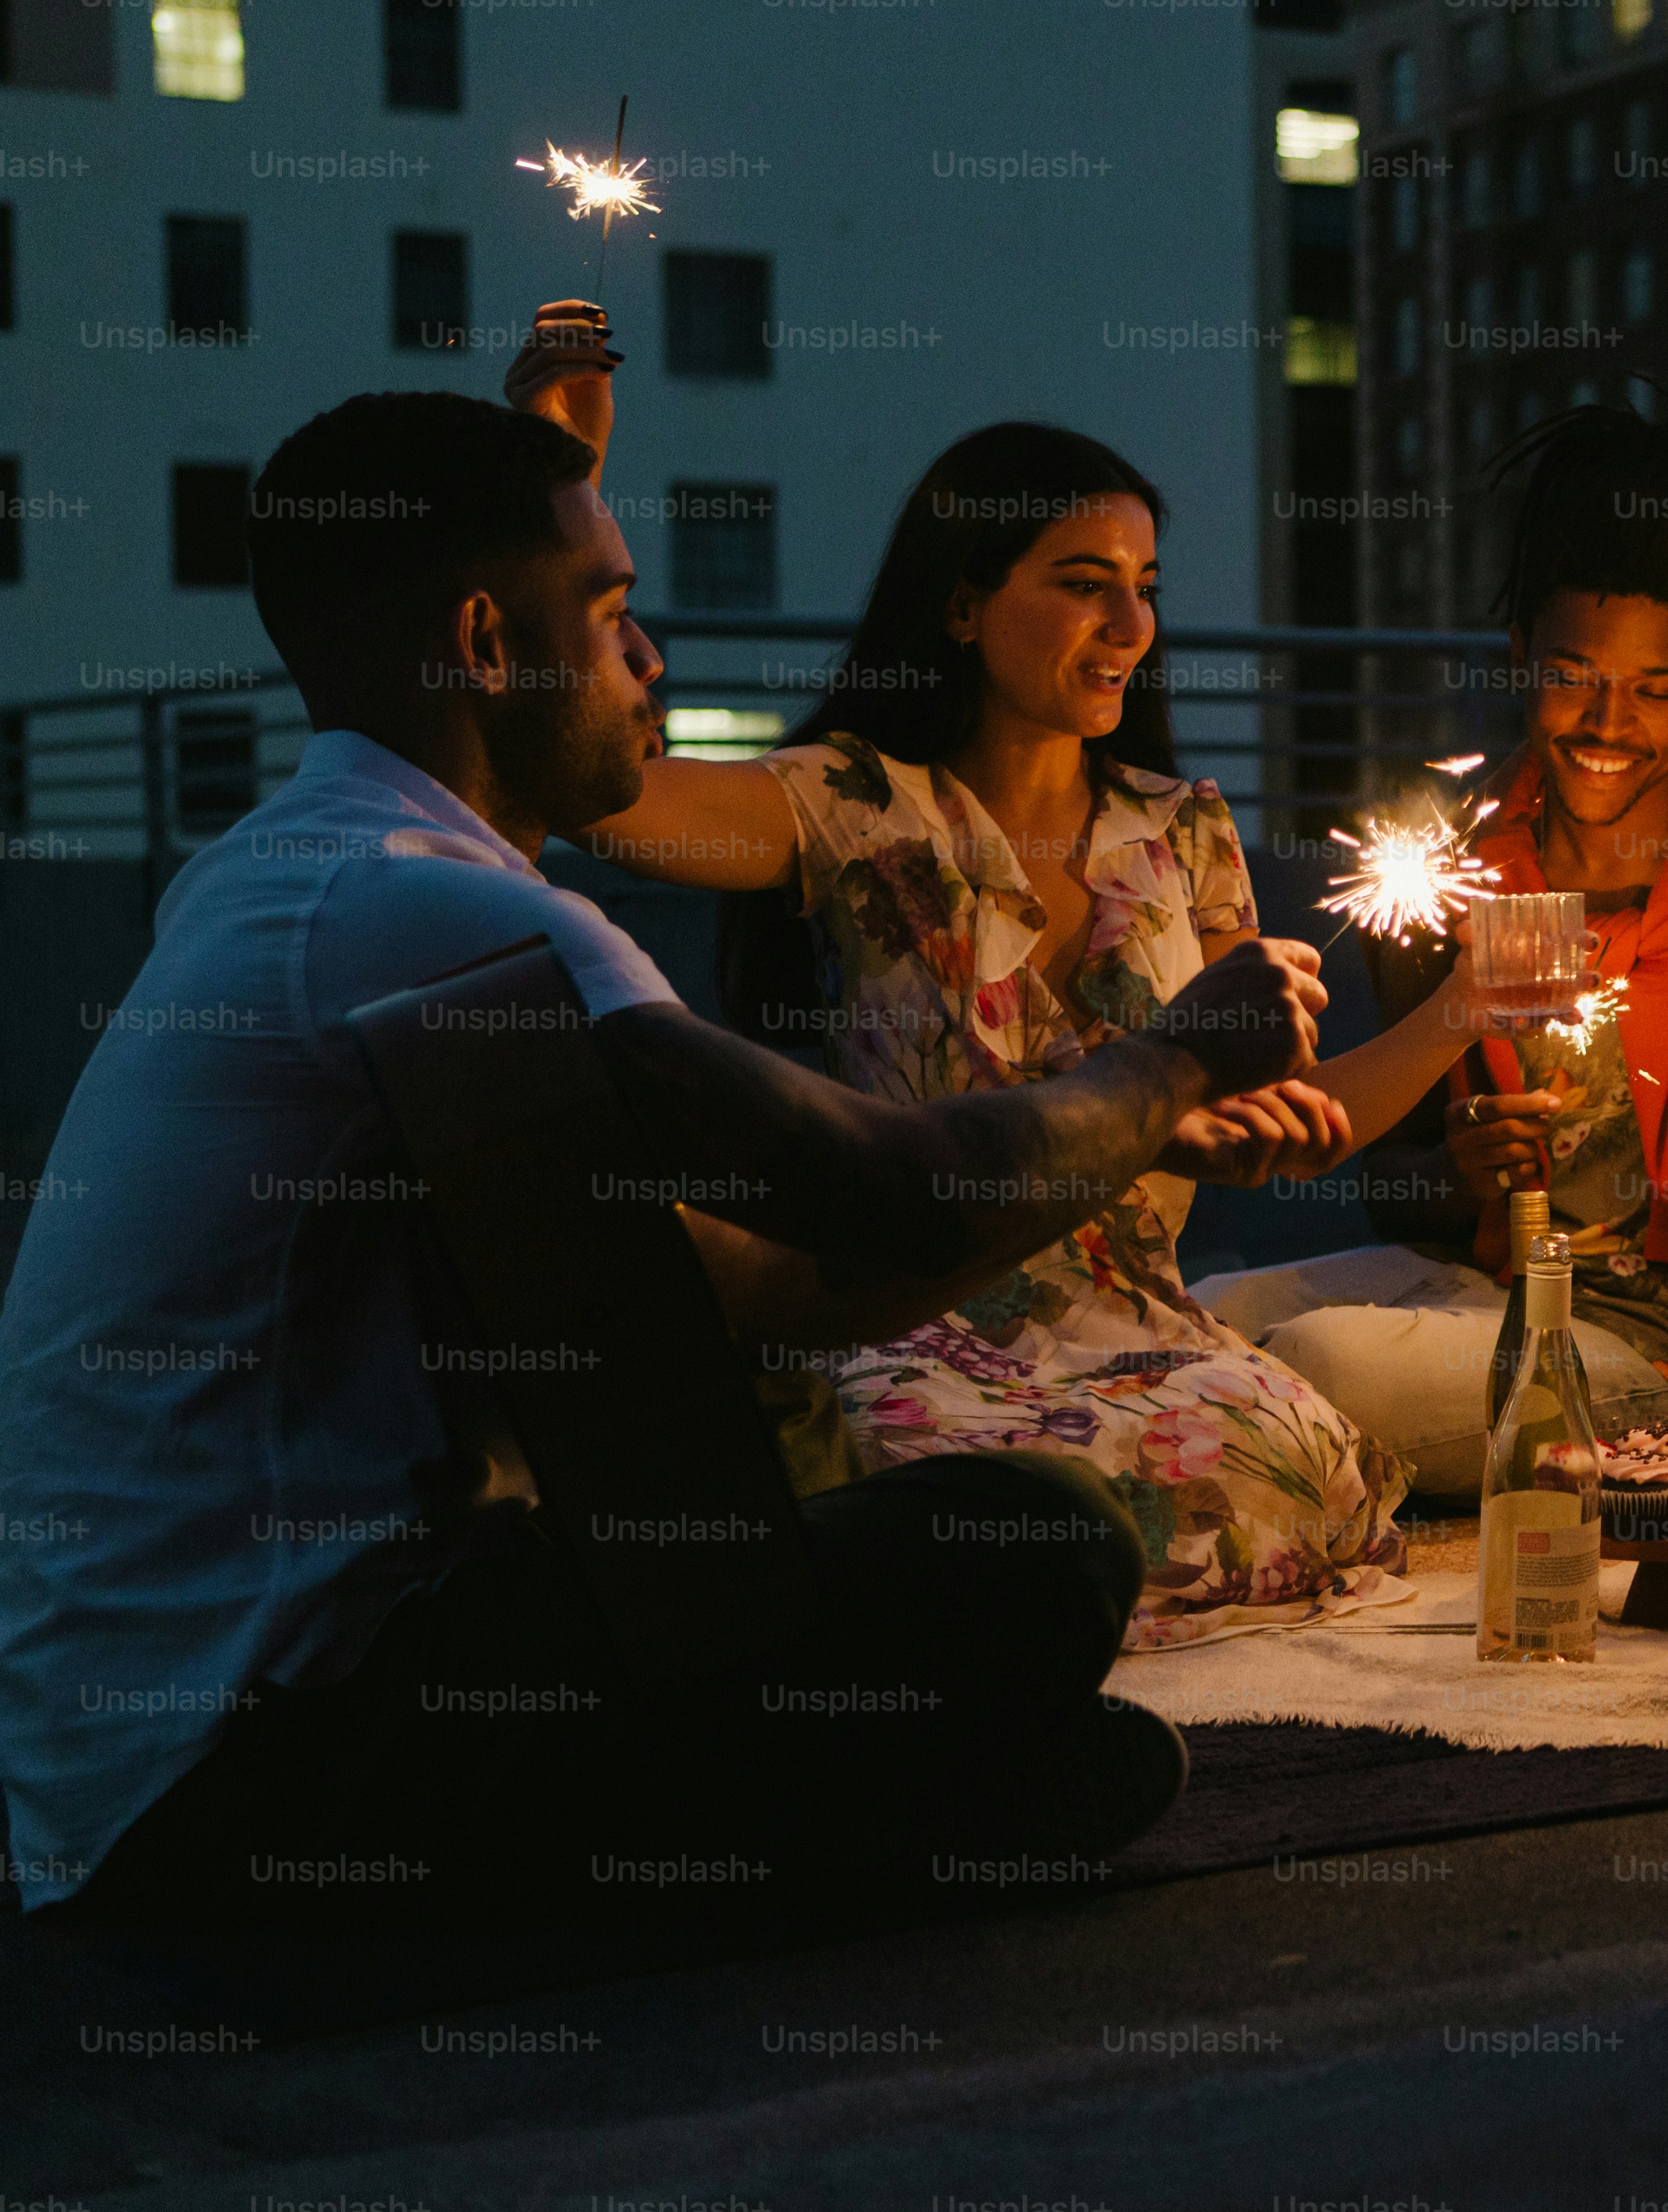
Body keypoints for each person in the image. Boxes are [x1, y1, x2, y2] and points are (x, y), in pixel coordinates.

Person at [0, 389, 1328, 1918]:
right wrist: (1171, 1056)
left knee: (947, 1551)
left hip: (158, 1757)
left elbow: (789, 1280)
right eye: (615, 612)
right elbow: (882, 1188)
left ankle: (799, 1820)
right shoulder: (418, 902)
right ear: (489, 647)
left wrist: (1090, 1153)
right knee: (1037, 1550)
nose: (649, 659)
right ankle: (772, 1844)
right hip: (248, 1769)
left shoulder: (285, 867)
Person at [513, 308, 1489, 1641]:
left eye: (1143, 583)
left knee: (1295, 1460)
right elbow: (604, 798)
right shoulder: (850, 802)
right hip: (909, 1313)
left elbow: (1294, 1109)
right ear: (964, 601)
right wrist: (550, 489)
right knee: (977, 1494)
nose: (1127, 619)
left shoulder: (1183, 829)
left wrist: (1457, 1015)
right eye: (1081, 578)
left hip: (1140, 1328)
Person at [1196, 405, 1668, 1497]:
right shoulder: (1470, 863)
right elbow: (1397, 1195)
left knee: (1316, 1366)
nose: (1607, 722)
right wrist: (1459, 1174)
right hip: (1493, 1289)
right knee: (1202, 1317)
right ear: (1524, 651)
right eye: (1575, 675)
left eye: (1656, 691)